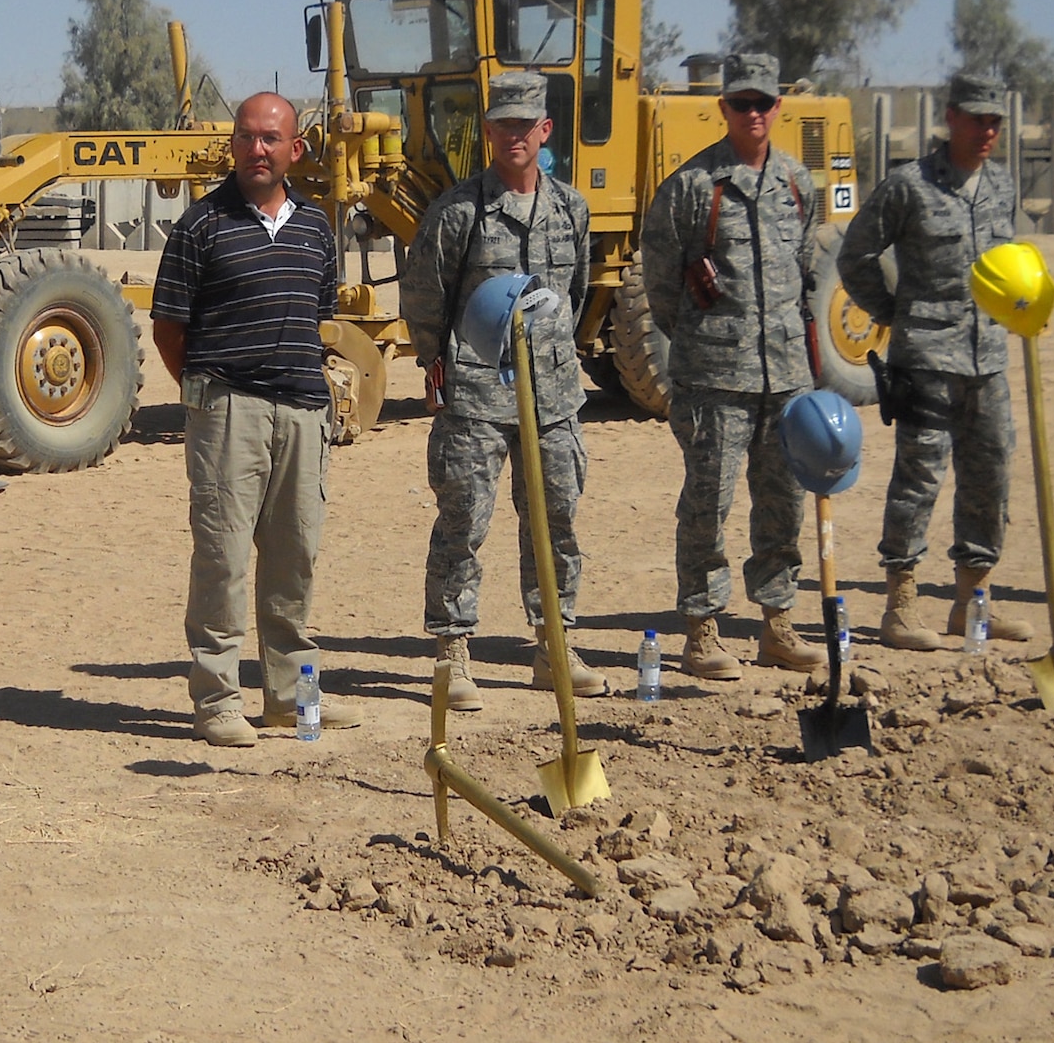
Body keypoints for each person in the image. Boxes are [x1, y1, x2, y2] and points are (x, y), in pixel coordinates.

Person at [150, 92, 361, 747]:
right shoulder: (199, 227)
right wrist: (215, 389)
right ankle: (217, 699)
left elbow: (316, 316)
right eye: (246, 137)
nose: (257, 149)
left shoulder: (316, 228)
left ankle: (290, 696)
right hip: (227, 413)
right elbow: (168, 331)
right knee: (223, 556)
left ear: (295, 149)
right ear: (233, 146)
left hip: (302, 413)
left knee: (295, 558)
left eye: (271, 138)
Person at [400, 70, 607, 710]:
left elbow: (572, 299)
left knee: (556, 521)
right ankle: (454, 651)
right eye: (503, 124)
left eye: (527, 124)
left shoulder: (571, 208)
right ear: (488, 132)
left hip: (553, 397)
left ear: (545, 131)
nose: (514, 135)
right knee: (464, 520)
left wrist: (553, 361)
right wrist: (438, 362)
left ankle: (554, 643)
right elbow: (425, 297)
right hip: (476, 397)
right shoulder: (458, 211)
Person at [641, 53, 826, 680]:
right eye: (741, 103)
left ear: (778, 108)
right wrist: (703, 343)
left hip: (786, 380)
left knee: (784, 504)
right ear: (723, 108)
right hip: (715, 380)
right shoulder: (693, 187)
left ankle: (777, 623)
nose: (753, 113)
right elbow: (662, 287)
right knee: (707, 505)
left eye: (764, 103)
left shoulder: (799, 185)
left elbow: (804, 272)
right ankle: (702, 628)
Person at [839, 71, 1034, 649]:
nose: (987, 131)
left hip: (989, 359)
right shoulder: (909, 186)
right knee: (918, 479)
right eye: (977, 119)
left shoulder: (1003, 187)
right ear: (950, 118)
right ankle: (901, 605)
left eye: (995, 121)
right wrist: (897, 312)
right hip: (926, 358)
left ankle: (974, 602)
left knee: (990, 475)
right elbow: (857, 254)